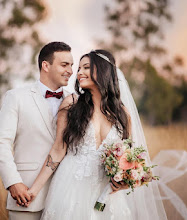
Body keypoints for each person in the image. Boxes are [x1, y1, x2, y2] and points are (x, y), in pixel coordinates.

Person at [26, 50, 167, 219]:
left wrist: (122, 183)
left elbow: (131, 158)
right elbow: (58, 149)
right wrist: (34, 190)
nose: (79, 73)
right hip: (71, 187)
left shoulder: (123, 114)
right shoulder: (71, 104)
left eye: (86, 67)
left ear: (103, 71)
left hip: (106, 194)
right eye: (79, 68)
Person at [0, 41, 73, 220]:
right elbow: (0, 143)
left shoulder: (76, 102)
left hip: (66, 198)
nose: (71, 70)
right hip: (26, 195)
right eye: (64, 64)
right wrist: (13, 182)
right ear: (46, 65)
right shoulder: (16, 97)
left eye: (71, 65)